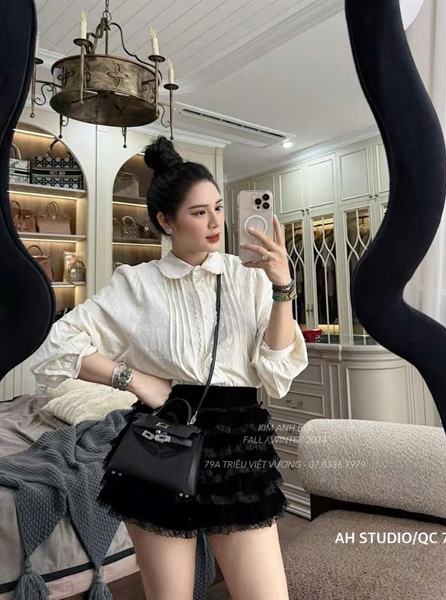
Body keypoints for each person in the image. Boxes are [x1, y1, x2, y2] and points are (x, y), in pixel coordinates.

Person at [30, 136, 308, 600]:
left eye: (218, 208)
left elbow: (276, 371)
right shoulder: (137, 285)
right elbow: (54, 346)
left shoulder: (250, 277)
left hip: (238, 439)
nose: (215, 222)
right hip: (160, 438)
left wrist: (282, 288)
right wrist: (133, 379)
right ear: (165, 221)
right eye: (199, 212)